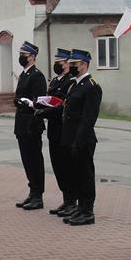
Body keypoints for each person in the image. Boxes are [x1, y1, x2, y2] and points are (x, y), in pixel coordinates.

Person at [60, 49, 102, 225]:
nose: (70, 67)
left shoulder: (92, 87)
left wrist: (79, 140)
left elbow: (88, 118)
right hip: (70, 138)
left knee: (85, 175)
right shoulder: (75, 85)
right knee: (76, 174)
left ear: (84, 65)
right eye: (69, 64)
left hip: (83, 139)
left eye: (74, 64)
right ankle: (80, 207)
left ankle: (88, 211)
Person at [37, 49, 76, 216]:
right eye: (56, 62)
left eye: (59, 62)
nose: (56, 65)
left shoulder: (70, 81)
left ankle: (72, 201)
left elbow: (62, 106)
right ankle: (66, 200)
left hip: (64, 130)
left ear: (67, 63)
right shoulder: (54, 81)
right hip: (53, 130)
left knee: (67, 167)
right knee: (57, 167)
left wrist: (45, 112)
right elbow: (49, 99)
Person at [13, 41, 48, 210]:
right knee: (26, 160)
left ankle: (38, 195)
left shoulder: (37, 76)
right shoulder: (24, 74)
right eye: (20, 54)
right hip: (21, 124)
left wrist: (28, 103)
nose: (21, 57)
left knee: (35, 160)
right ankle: (32, 191)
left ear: (32, 57)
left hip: (32, 125)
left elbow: (39, 102)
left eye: (24, 55)